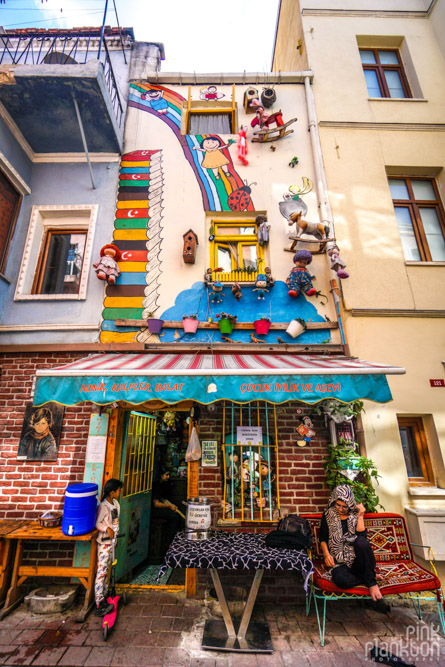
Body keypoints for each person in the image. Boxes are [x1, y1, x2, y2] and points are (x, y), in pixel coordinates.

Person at [319, 485, 386, 606]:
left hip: (357, 560)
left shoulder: (355, 515)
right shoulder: (328, 515)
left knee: (360, 542)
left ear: (350, 504)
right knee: (341, 581)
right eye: (337, 505)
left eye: (344, 507)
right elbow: (323, 537)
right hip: (339, 563)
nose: (340, 509)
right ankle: (368, 576)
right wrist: (326, 554)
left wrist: (360, 516)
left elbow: (362, 540)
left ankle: (371, 583)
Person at [94, 478, 123, 617]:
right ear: (112, 492)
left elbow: (116, 522)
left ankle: (105, 596)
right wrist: (106, 528)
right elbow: (98, 523)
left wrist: (115, 536)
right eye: (118, 490)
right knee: (102, 571)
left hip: (111, 542)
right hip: (104, 542)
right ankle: (99, 602)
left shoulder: (115, 504)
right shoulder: (103, 507)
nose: (119, 493)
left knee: (107, 569)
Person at [151, 468, 182, 554]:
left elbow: (163, 499)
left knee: (176, 515)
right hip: (153, 510)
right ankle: (170, 542)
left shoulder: (163, 484)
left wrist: (172, 505)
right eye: (166, 475)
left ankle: (175, 541)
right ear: (161, 475)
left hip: (161, 507)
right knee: (174, 517)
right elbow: (156, 504)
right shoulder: (156, 485)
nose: (168, 477)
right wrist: (169, 506)